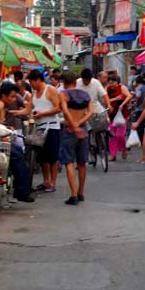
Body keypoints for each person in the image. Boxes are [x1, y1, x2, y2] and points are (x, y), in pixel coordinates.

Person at [58, 71, 94, 206]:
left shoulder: (64, 94)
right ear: (75, 81)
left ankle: (73, 195)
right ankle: (80, 192)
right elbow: (91, 111)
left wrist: (73, 125)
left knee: (68, 162)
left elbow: (65, 111)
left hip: (69, 130)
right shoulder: (85, 94)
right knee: (82, 163)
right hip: (83, 130)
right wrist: (80, 124)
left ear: (64, 83)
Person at [28, 69, 62, 193]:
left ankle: (52, 183)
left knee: (52, 157)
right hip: (39, 128)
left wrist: (43, 113)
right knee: (42, 158)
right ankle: (46, 181)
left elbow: (58, 108)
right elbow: (28, 109)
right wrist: (15, 112)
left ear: (37, 80)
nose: (31, 84)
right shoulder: (33, 92)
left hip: (52, 127)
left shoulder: (50, 90)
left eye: (31, 82)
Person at [106, 74, 132, 161]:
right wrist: (113, 101)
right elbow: (105, 99)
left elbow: (129, 96)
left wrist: (122, 104)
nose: (111, 84)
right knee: (112, 136)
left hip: (122, 114)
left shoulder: (122, 87)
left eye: (112, 82)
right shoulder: (107, 88)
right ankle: (113, 154)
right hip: (112, 114)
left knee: (120, 135)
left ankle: (123, 149)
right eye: (109, 83)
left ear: (117, 82)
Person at [131, 76, 145, 163]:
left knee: (140, 127)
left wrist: (136, 104)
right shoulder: (144, 87)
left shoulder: (138, 87)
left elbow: (138, 97)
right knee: (142, 125)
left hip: (139, 109)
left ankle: (141, 141)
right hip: (144, 109)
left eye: (134, 81)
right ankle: (142, 140)